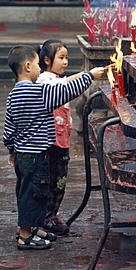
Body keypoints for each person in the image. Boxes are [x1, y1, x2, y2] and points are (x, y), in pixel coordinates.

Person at [3, 45, 104, 250]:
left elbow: (9, 127)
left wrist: (11, 149)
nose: (41, 70)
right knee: (34, 194)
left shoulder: (13, 95)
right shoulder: (40, 91)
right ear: (28, 66)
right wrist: (89, 76)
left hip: (23, 154)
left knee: (31, 191)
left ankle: (34, 228)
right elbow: (66, 91)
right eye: (39, 65)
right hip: (36, 155)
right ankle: (25, 235)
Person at [36, 39, 84, 235]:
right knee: (47, 180)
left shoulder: (56, 79)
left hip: (62, 140)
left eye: (67, 58)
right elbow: (64, 86)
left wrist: (85, 75)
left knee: (60, 181)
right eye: (61, 58)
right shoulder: (44, 80)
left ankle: (52, 215)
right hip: (50, 142)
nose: (65, 62)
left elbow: (66, 81)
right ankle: (43, 217)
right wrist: (86, 77)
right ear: (47, 60)